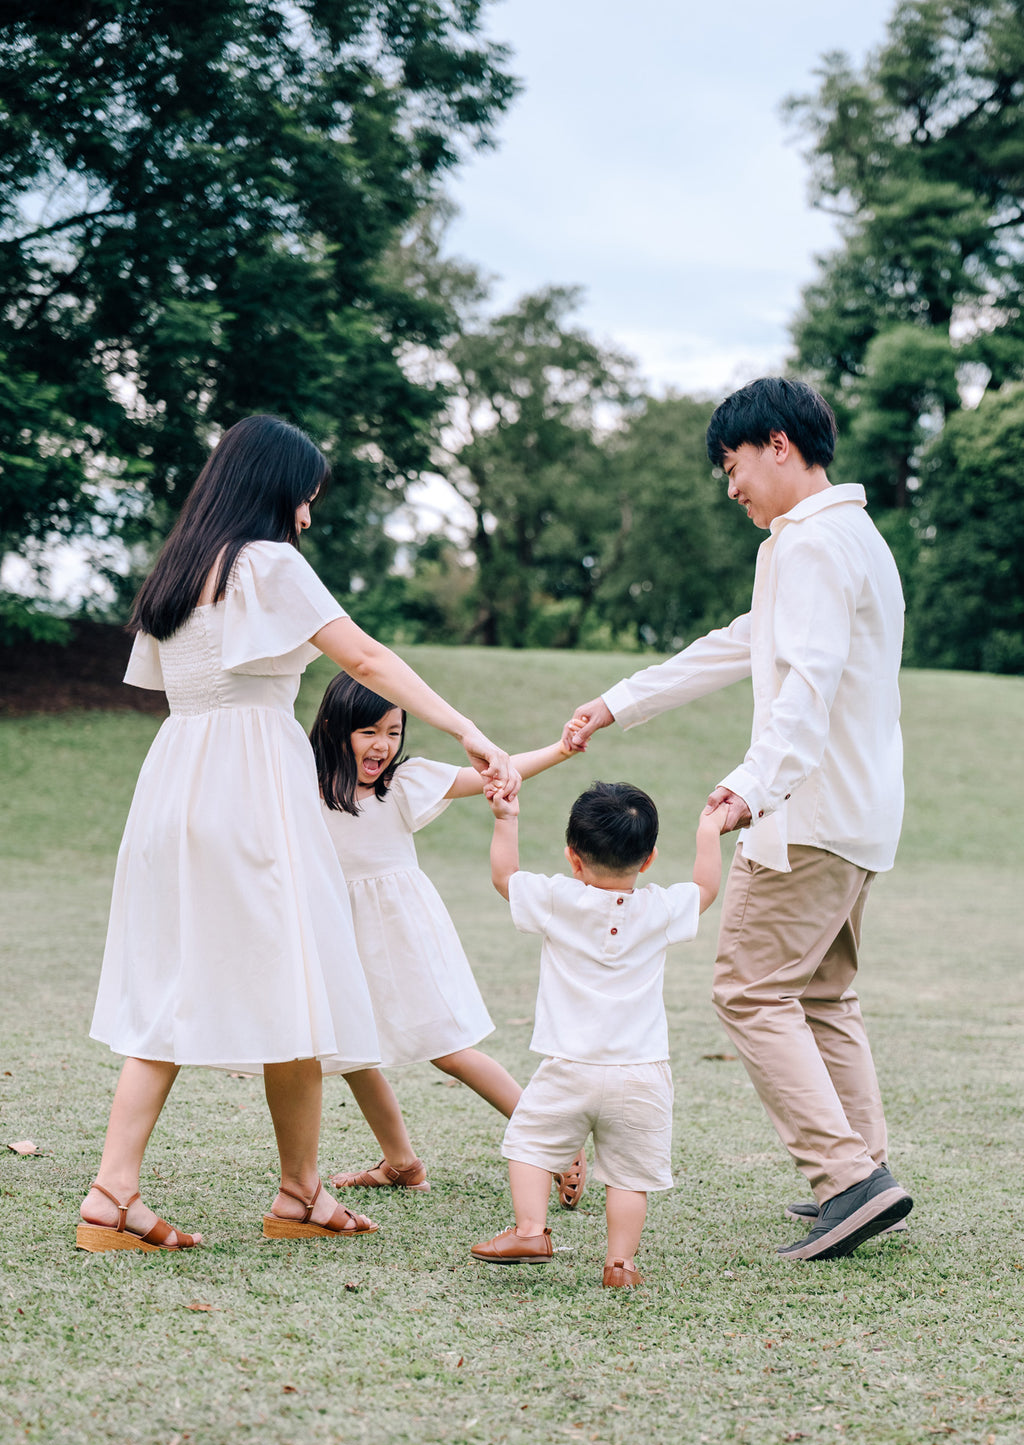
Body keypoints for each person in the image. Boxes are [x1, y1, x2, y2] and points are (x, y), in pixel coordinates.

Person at [77, 414, 518, 1253]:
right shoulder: (269, 564)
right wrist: (467, 729)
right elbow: (369, 661)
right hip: (252, 786)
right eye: (306, 498)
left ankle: (149, 1191)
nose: (308, 517)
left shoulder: (177, 571)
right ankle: (279, 1192)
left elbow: (172, 687)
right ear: (274, 490)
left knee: (186, 983)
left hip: (174, 781)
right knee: (300, 980)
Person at [567, 377, 913, 1262]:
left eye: (734, 465)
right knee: (825, 996)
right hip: (860, 815)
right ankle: (865, 1167)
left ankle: (845, 1179)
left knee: (749, 990)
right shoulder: (851, 537)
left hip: (808, 813)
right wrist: (618, 702)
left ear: (778, 446)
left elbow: (807, 688)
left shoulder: (808, 546)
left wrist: (752, 786)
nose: (732, 489)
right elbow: (741, 642)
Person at [308, 672, 588, 1206]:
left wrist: (559, 750)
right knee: (347, 1052)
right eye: (368, 731)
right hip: (338, 933)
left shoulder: (402, 785)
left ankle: (554, 1141)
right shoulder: (304, 785)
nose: (383, 745)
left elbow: (486, 775)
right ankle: (401, 1164)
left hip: (401, 933)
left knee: (450, 1051)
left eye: (393, 732)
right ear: (333, 727)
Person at [470, 781, 728, 1288]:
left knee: (528, 1145)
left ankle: (529, 1229)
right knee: (629, 1178)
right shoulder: (658, 909)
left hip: (569, 1065)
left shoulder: (557, 899)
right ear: (648, 859)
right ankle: (620, 1265)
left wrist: (506, 817)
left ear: (573, 857)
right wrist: (709, 829)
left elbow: (505, 877)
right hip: (643, 1073)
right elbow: (706, 889)